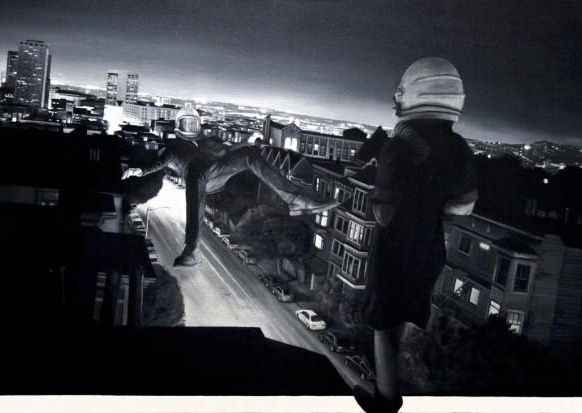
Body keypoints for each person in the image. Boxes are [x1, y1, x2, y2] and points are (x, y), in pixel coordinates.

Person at [354, 57, 478, 413]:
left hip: (396, 249)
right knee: (405, 316)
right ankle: (389, 393)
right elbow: (464, 206)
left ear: (414, 93)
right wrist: (431, 207)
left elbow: (383, 212)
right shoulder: (460, 147)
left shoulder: (400, 144)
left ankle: (385, 399)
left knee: (384, 324)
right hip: (430, 249)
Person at [122, 105, 340, 267]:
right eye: (187, 124)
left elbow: (226, 151)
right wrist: (139, 170)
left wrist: (247, 141)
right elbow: (159, 163)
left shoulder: (205, 142)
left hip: (215, 174)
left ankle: (297, 200)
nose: (191, 127)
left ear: (198, 125)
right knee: (197, 171)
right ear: (179, 126)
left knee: (249, 155)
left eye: (193, 123)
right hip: (196, 177)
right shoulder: (173, 146)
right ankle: (191, 249)